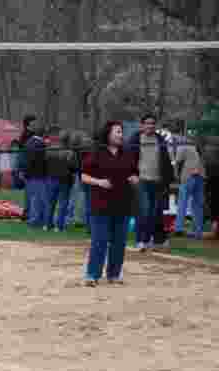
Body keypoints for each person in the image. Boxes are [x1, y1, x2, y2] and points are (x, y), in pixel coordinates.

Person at [82, 121, 139, 286]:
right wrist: (99, 182)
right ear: (108, 134)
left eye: (122, 132)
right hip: (101, 204)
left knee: (119, 242)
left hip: (122, 203)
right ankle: (92, 275)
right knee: (99, 241)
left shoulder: (127, 153)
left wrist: (135, 179)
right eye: (118, 132)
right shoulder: (96, 153)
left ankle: (114, 274)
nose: (121, 135)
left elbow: (135, 174)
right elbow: (84, 176)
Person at [126, 113, 175, 251]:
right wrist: (131, 175)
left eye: (153, 123)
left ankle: (156, 240)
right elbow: (128, 160)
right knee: (144, 211)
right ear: (142, 125)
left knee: (156, 212)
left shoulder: (160, 140)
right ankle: (141, 240)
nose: (150, 126)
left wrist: (168, 178)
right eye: (147, 123)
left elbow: (166, 161)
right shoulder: (135, 140)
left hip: (158, 182)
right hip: (142, 181)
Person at [174, 136, 206, 239]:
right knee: (198, 205)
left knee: (182, 203)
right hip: (201, 175)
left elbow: (177, 162)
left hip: (188, 176)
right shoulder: (199, 146)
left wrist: (176, 176)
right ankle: (198, 232)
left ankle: (179, 229)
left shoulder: (182, 146)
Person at [45, 129, 77, 232]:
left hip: (51, 178)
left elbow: (46, 163)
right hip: (65, 180)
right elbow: (74, 167)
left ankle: (47, 224)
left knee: (51, 203)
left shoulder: (50, 149)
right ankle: (59, 226)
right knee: (63, 204)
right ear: (68, 140)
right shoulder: (70, 152)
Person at [24, 120, 49, 229]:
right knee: (38, 199)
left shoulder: (29, 141)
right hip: (38, 175)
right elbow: (43, 160)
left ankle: (34, 218)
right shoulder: (40, 144)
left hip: (30, 174)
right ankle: (35, 220)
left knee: (33, 198)